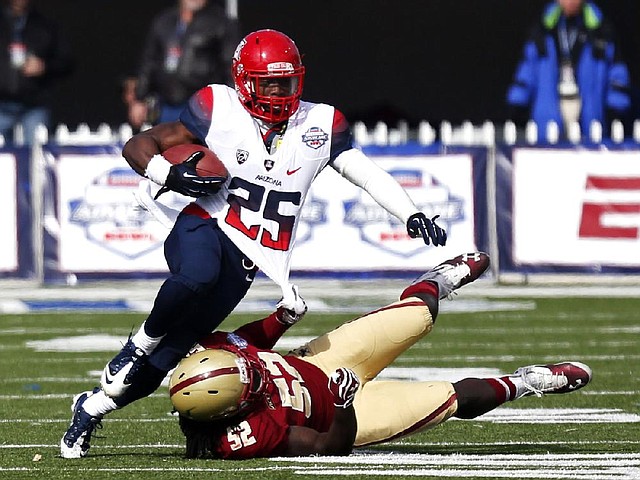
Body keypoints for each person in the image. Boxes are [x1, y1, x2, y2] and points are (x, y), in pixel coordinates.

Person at [60, 28, 447, 459]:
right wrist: (166, 175)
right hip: (205, 223)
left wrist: (409, 212)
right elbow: (140, 143)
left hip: (249, 255)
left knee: (174, 352)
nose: (280, 92)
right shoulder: (217, 107)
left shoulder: (319, 123)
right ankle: (139, 344)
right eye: (270, 83)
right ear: (245, 80)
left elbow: (368, 174)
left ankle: (92, 407)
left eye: (287, 81)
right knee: (197, 275)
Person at [159, 251, 590, 458]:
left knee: (418, 315)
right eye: (250, 380)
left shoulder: (213, 358)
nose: (253, 367)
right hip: (345, 414)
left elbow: (243, 343)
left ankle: (437, 281)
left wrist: (281, 321)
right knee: (450, 397)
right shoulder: (240, 436)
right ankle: (526, 382)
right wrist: (343, 405)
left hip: (315, 362)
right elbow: (330, 446)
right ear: (230, 410)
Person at [506, 0, 631, 138]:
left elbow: (617, 73)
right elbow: (526, 71)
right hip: (548, 122)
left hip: (590, 123)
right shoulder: (542, 30)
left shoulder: (600, 31)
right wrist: (517, 103)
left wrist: (615, 108)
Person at [124, 0, 239, 129]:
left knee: (196, 147)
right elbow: (149, 63)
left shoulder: (220, 23)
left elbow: (231, 67)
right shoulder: (164, 21)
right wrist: (139, 98)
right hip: (166, 105)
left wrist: (232, 104)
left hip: (203, 106)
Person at [0, 0, 74, 145]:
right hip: (1, 103)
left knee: (36, 156)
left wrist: (44, 67)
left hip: (34, 105)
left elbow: (66, 62)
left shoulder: (45, 25)